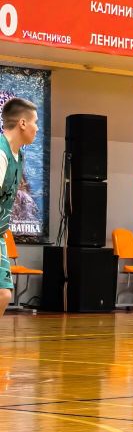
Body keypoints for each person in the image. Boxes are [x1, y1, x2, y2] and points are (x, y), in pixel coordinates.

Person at [0, 98, 38, 318]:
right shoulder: (1, 153)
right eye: (35, 122)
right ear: (22, 123)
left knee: (3, 295)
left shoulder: (19, 155)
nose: (37, 128)